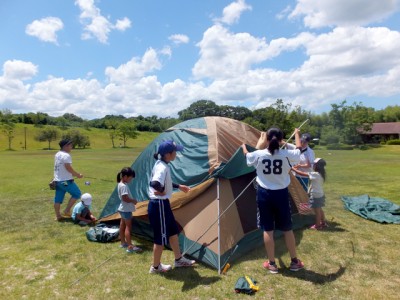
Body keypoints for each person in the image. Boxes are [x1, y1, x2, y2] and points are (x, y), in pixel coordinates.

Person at [241, 127, 304, 274]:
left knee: (268, 229)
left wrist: (244, 147)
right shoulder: (287, 154)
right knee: (287, 228)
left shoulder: (258, 154)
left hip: (264, 195)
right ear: (281, 140)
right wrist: (296, 133)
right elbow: (299, 149)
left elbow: (247, 156)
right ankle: (294, 261)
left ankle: (271, 264)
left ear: (267, 139)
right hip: (281, 194)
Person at [148, 140, 196, 273]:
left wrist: (178, 186)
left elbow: (165, 181)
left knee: (172, 232)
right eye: (175, 152)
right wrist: (161, 190)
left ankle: (178, 259)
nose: (176, 154)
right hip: (159, 206)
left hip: (163, 204)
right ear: (168, 154)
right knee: (160, 238)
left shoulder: (162, 163)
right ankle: (156, 267)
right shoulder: (162, 167)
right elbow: (154, 183)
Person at [292, 158, 328, 230]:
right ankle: (323, 222)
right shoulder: (321, 174)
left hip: (315, 195)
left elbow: (301, 173)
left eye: (314, 165)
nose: (313, 166)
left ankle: (318, 225)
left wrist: (293, 168)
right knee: (319, 209)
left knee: (317, 211)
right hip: (320, 194)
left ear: (317, 166)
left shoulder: (315, 174)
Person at [53, 139, 83, 221]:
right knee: (77, 193)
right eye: (70, 145)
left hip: (58, 181)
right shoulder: (66, 155)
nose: (71, 147)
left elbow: (59, 168)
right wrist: (77, 175)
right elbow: (68, 167)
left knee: (58, 199)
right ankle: (66, 210)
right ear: (65, 146)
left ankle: (58, 216)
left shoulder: (57, 154)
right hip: (65, 182)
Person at [117, 167, 142, 253]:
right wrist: (133, 201)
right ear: (125, 176)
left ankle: (123, 243)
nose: (131, 180)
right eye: (130, 178)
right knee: (128, 227)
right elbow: (125, 198)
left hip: (122, 209)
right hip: (126, 209)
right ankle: (130, 247)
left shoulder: (120, 184)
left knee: (122, 225)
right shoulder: (123, 186)